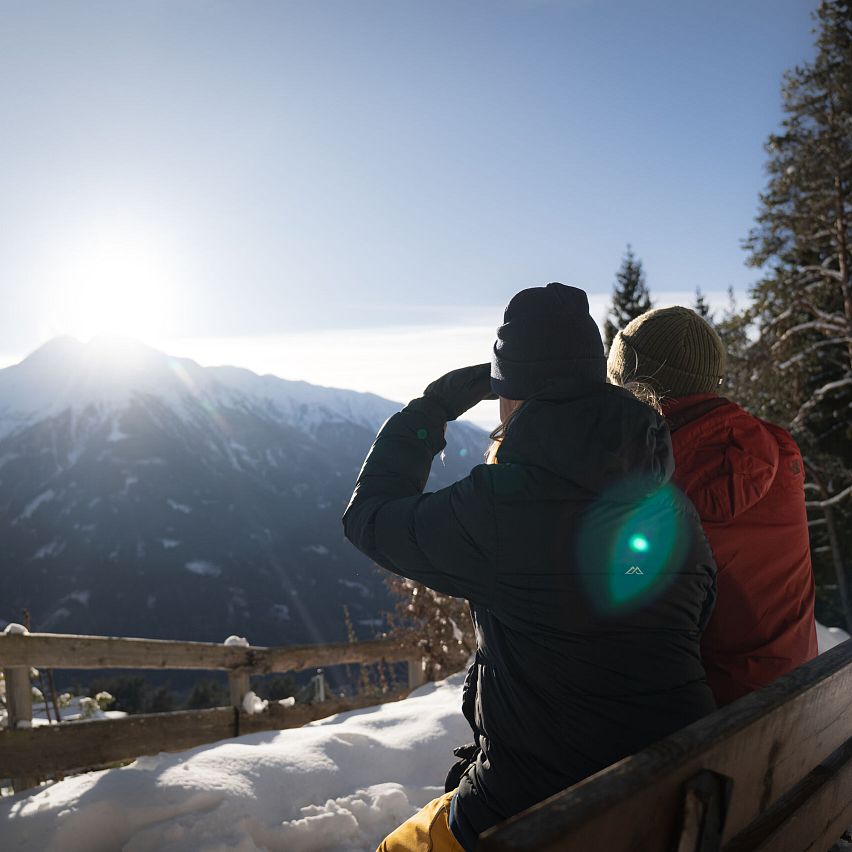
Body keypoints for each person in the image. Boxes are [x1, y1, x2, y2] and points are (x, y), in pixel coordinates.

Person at [343, 283, 717, 851]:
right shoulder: (673, 506)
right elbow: (696, 615)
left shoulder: (500, 506)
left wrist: (429, 413)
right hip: (673, 792)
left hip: (541, 806)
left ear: (511, 393)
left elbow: (368, 519)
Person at [607, 306, 818, 707]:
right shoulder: (776, 450)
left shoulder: (650, 485)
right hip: (799, 700)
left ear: (638, 391)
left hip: (712, 725)